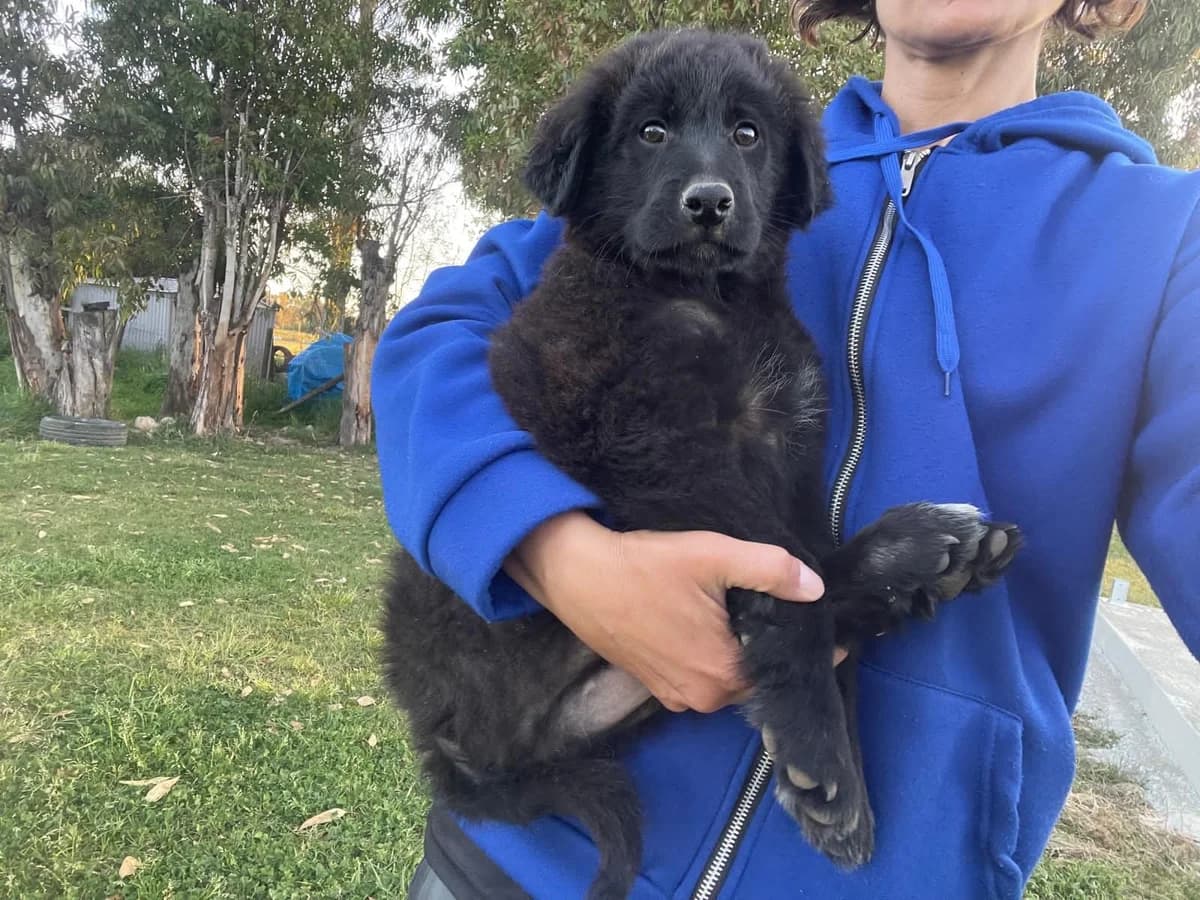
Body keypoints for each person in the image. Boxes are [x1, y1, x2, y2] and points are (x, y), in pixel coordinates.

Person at [374, 1, 1200, 897]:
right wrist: (556, 554)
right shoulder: (650, 216)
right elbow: (436, 336)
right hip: (530, 860)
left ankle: (847, 587)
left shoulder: (1163, 241)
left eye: (741, 136)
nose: (708, 174)